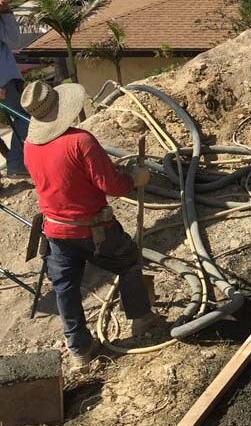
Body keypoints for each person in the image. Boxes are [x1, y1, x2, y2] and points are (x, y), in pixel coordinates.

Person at [21, 80, 165, 367]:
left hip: (55, 231)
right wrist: (135, 179)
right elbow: (112, 185)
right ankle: (140, 318)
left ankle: (79, 349)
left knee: (65, 288)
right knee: (128, 261)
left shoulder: (29, 147)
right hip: (93, 229)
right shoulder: (80, 141)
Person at [0, 1, 30, 180]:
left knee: (23, 118)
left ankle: (15, 163)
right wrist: (7, 13)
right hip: (3, 82)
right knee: (25, 119)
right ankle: (16, 164)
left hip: (7, 79)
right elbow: (14, 40)